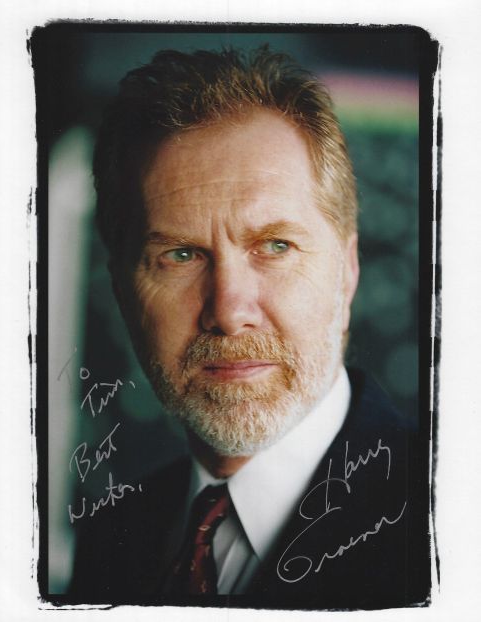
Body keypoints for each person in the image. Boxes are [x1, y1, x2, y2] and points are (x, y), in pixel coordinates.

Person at [67, 46, 429, 608]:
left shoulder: (448, 522)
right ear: (122, 289)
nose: (230, 310)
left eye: (275, 246)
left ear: (347, 270)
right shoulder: (111, 540)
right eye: (181, 255)